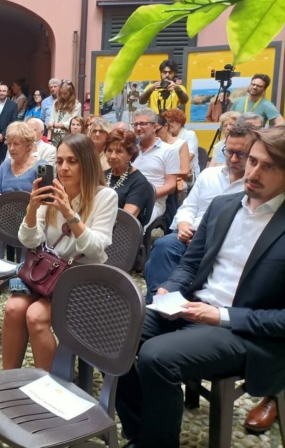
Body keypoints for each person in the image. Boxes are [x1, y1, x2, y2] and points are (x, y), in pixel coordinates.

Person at [115, 126, 285, 448]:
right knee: (115, 331)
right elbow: (190, 264)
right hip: (192, 307)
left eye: (269, 167)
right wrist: (170, 288)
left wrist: (221, 316)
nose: (253, 173)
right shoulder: (223, 206)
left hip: (244, 330)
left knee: (156, 356)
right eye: (253, 161)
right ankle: (141, 433)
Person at [2, 133, 118, 371]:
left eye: (72, 161)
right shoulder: (51, 192)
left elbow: (96, 250)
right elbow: (29, 241)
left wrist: (69, 213)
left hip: (82, 276)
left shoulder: (105, 196)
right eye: (60, 161)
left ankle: (47, 385)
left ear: (87, 163)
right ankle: (8, 378)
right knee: (13, 308)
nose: (64, 168)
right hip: (48, 272)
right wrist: (32, 209)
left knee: (35, 316)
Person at [144, 124, 253, 304]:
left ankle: (172, 304)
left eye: (241, 154)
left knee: (163, 262)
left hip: (223, 241)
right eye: (229, 152)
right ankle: (157, 304)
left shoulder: (253, 185)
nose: (233, 159)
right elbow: (188, 206)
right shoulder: (209, 175)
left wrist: (205, 239)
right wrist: (183, 225)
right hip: (190, 233)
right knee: (163, 246)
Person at [0, 121, 37, 256]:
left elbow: (42, 197)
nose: (11, 148)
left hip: (28, 213)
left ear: (28, 146)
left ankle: (25, 266)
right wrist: (4, 205)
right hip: (3, 211)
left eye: (16, 144)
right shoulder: (5, 165)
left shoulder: (39, 167)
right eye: (9, 144)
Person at [131, 108, 180, 225]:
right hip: (128, 198)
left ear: (155, 127)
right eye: (135, 124)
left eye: (143, 124)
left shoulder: (169, 151)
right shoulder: (131, 149)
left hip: (153, 202)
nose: (138, 128)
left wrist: (144, 196)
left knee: (131, 226)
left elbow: (171, 186)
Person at [104, 129, 152, 226]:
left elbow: (126, 219)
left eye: (119, 151)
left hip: (120, 230)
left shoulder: (139, 182)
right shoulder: (101, 175)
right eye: (109, 150)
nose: (112, 156)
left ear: (130, 155)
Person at [47, 80, 81, 147]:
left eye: (65, 93)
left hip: (68, 136)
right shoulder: (56, 103)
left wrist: (54, 125)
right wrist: (48, 139)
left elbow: (71, 123)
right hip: (54, 136)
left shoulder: (77, 105)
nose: (62, 95)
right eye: (61, 93)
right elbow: (51, 120)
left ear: (71, 93)